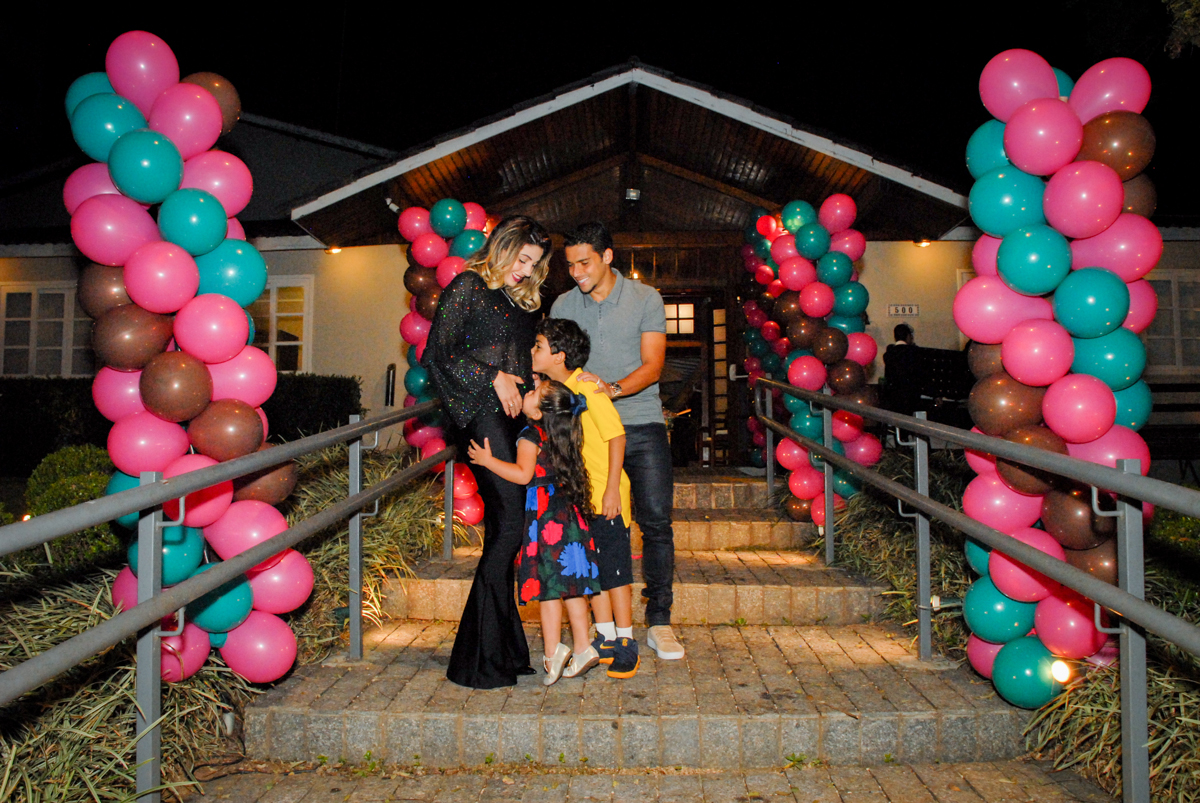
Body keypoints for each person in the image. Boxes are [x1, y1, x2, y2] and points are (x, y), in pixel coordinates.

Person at [421, 215, 552, 689]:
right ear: (503, 247)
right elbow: (436, 355)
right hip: (480, 412)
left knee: (507, 531)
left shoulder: (520, 301)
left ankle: (503, 649)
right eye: (521, 258)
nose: (526, 269)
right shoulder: (468, 286)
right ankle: (477, 660)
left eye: (534, 263)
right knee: (509, 528)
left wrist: (529, 382)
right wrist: (491, 375)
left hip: (513, 417)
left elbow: (519, 359)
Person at [551, 222, 685, 661]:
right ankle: (601, 622)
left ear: (608, 257)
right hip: (586, 433)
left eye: (584, 262)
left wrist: (612, 389)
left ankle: (660, 622)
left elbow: (654, 364)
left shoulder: (645, 299)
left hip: (641, 424)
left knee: (655, 522)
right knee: (587, 526)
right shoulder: (564, 304)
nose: (576, 272)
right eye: (570, 264)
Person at [466, 379, 601, 686]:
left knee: (548, 588)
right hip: (569, 514)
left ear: (540, 413)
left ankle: (553, 654)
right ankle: (582, 645)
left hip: (547, 519)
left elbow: (523, 474)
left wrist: (489, 461)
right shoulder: (564, 432)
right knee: (572, 585)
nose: (528, 390)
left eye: (533, 393)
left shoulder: (530, 434)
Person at [529, 318, 639, 679]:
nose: (533, 352)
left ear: (559, 356)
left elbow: (616, 437)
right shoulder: (554, 391)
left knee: (615, 573)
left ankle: (626, 641)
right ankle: (604, 636)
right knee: (593, 571)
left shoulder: (588, 389)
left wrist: (611, 489)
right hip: (579, 495)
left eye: (539, 346)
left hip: (606, 495)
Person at [883, 323, 921, 416]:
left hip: (893, 394)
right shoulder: (914, 352)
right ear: (908, 336)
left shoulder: (889, 354)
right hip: (910, 395)